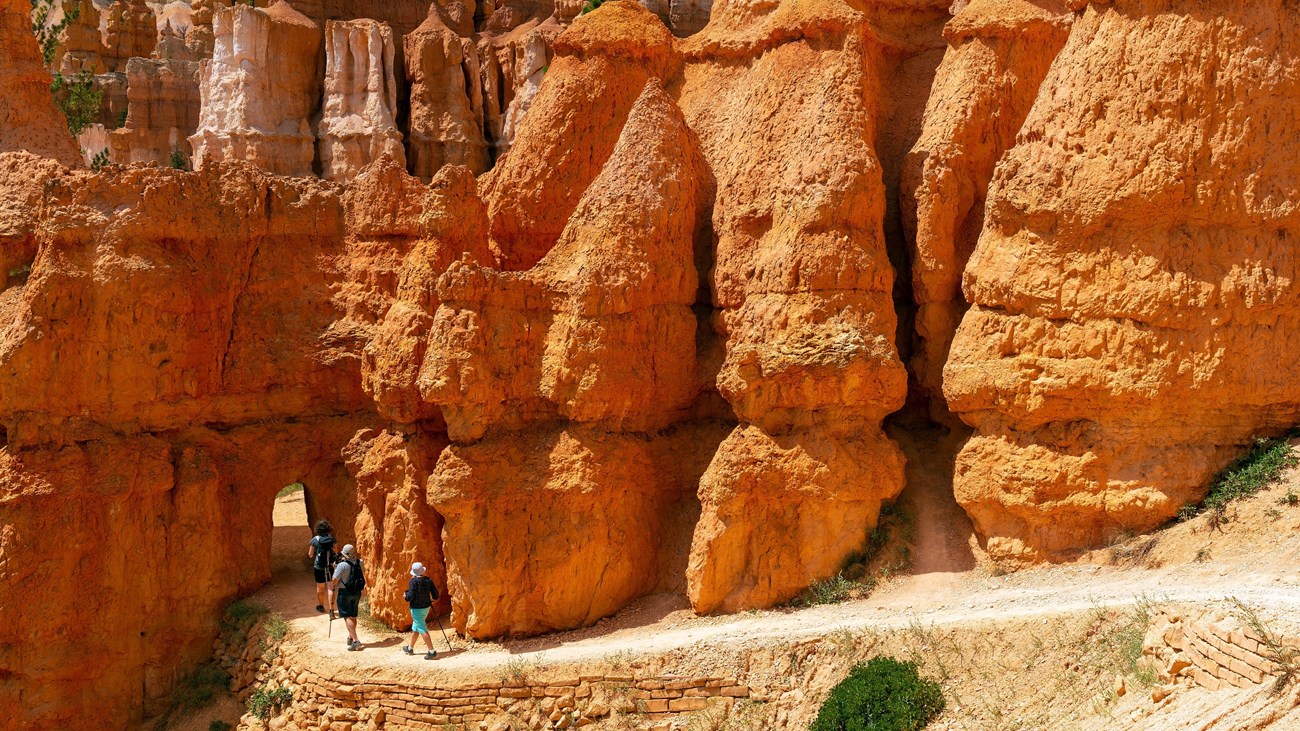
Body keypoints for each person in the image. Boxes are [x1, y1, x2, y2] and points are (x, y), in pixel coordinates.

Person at [331, 544, 366, 651]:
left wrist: (336, 569)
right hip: (356, 592)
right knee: (353, 615)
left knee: (346, 616)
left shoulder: (342, 565)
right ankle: (351, 636)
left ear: (345, 554)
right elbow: (362, 574)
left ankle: (355, 641)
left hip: (345, 592)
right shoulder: (360, 562)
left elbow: (334, 581)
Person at [402, 562, 439, 660]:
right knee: (416, 627)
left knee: (422, 628)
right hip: (426, 607)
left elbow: (410, 597)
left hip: (416, 609)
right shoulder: (428, 580)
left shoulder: (413, 581)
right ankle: (410, 648)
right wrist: (431, 599)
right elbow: (436, 595)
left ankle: (432, 651)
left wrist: (405, 596)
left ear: (413, 572)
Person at [307, 520, 337, 614]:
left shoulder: (315, 540)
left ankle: (321, 606)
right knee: (330, 588)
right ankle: (332, 609)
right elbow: (336, 552)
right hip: (329, 567)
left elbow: (310, 554)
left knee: (320, 588)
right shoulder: (332, 539)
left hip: (318, 567)